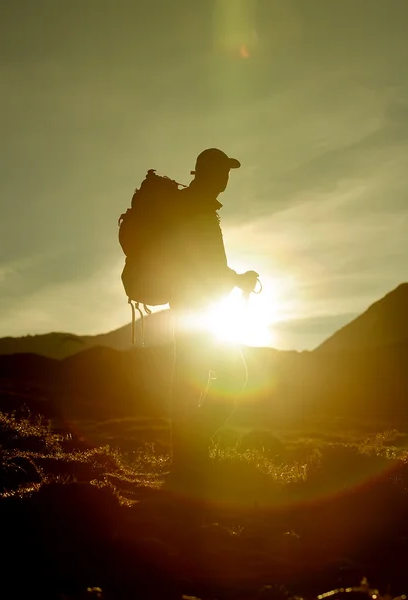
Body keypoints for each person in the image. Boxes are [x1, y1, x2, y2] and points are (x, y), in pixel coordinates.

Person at [167, 148, 259, 481]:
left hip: (195, 306)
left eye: (228, 172)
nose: (226, 178)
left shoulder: (198, 207)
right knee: (230, 378)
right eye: (222, 171)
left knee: (190, 381)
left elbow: (208, 266)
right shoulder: (195, 208)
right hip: (196, 308)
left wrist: (235, 279)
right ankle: (191, 455)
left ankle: (189, 458)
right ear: (205, 173)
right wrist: (236, 280)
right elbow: (201, 264)